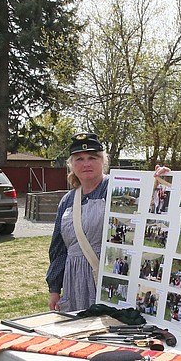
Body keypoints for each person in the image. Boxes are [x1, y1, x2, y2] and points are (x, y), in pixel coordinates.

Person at [47, 132, 110, 312]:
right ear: (71, 165)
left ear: (102, 161)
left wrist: (162, 179)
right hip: (75, 280)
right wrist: (54, 289)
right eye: (79, 159)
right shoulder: (67, 201)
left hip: (108, 277)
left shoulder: (116, 189)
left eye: (92, 157)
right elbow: (59, 249)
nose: (86, 163)